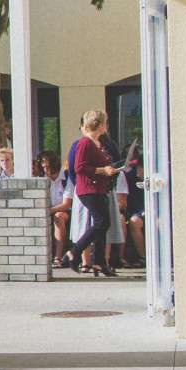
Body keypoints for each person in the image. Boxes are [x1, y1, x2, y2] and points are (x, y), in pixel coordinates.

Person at [69, 109, 120, 276]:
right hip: (88, 189)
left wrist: (110, 170)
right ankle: (74, 252)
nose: (106, 126)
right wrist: (102, 170)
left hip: (99, 188)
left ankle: (99, 263)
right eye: (104, 123)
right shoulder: (85, 143)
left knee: (102, 224)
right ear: (98, 125)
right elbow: (79, 167)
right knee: (101, 222)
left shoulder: (98, 143)